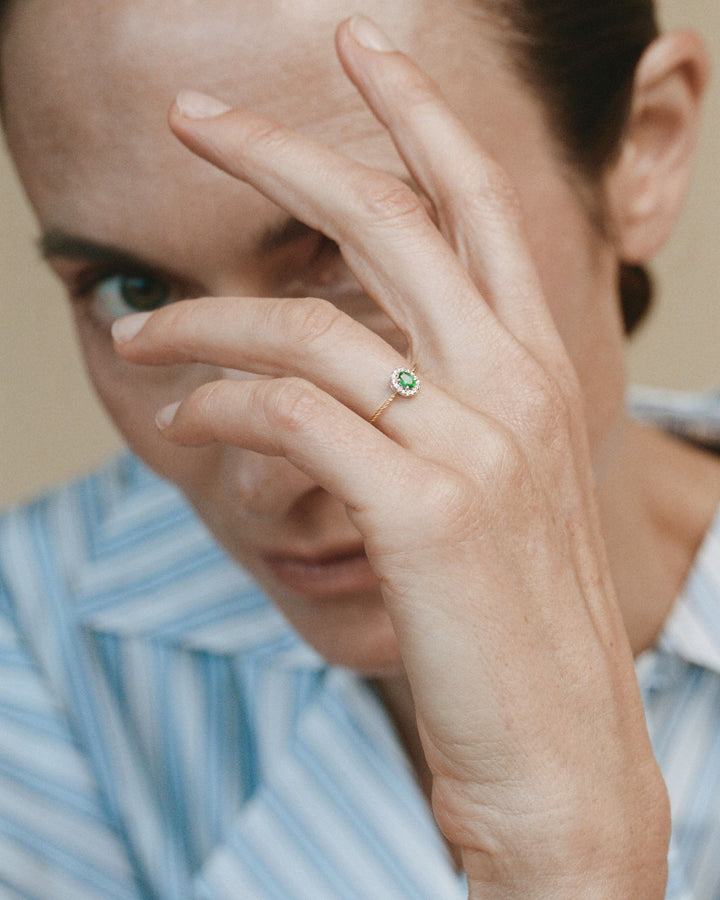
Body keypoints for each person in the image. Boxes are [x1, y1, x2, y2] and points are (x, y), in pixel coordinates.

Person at [0, 0, 717, 896]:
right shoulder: (31, 661)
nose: (261, 479)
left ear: (642, 151)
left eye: (356, 252)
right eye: (128, 285)